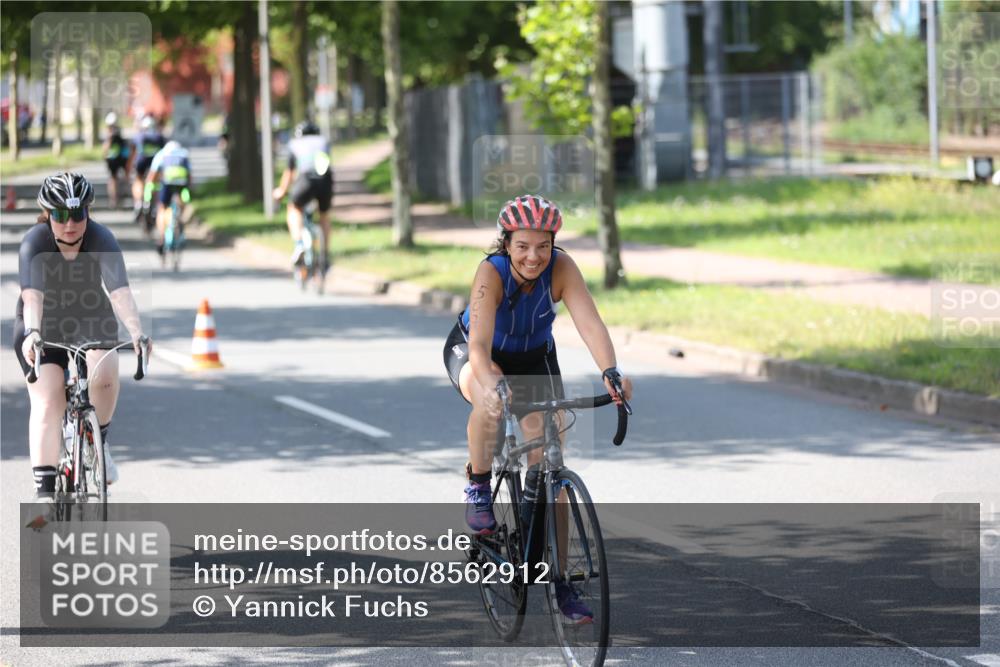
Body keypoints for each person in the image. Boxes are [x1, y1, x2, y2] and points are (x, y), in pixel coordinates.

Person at [442, 194, 634, 623]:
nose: (534, 256)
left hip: (534, 358)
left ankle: (560, 579)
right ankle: (478, 484)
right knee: (489, 399)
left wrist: (610, 371)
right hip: (478, 353)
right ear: (506, 243)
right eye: (523, 246)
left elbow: (589, 323)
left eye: (543, 246)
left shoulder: (562, 268)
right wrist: (493, 386)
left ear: (553, 244)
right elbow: (479, 347)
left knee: (551, 468)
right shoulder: (491, 273)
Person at [14, 173, 152, 498]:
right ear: (48, 214)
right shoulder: (35, 242)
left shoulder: (101, 238)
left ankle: (97, 442)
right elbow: (32, 297)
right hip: (41, 320)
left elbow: (120, 292)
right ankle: (44, 496)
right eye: (61, 214)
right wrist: (32, 333)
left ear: (88, 212)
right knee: (49, 398)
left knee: (105, 375)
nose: (70, 223)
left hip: (89, 314)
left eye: (78, 214)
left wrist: (137, 331)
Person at [271, 120, 334, 271]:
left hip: (305, 179)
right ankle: (325, 255)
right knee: (324, 216)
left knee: (294, 208)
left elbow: (290, 172)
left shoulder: (294, 144)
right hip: (325, 180)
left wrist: (281, 191)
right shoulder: (324, 142)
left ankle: (299, 244)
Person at [145, 139, 192, 261]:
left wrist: (150, 187)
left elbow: (152, 175)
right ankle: (180, 221)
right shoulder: (184, 154)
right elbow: (189, 175)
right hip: (182, 182)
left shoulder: (162, 154)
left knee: (161, 207)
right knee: (182, 202)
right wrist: (189, 187)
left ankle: (161, 237)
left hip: (167, 183)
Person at [127, 114, 165, 227]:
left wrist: (129, 167)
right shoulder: (159, 137)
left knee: (138, 180)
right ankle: (152, 202)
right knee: (154, 182)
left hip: (141, 161)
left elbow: (132, 152)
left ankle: (139, 202)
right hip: (155, 162)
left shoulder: (139, 135)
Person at [102, 112, 129, 209]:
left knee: (117, 178)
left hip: (118, 157)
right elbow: (105, 149)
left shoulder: (117, 134)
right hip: (112, 159)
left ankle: (119, 195)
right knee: (113, 178)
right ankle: (114, 198)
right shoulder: (109, 135)